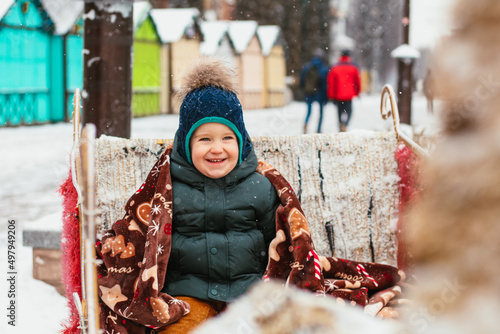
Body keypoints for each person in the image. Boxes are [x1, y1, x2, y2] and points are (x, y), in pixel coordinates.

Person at [158, 58, 280, 333]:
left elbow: (279, 243)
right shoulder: (167, 188)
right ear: (187, 144)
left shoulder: (259, 188)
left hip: (248, 293)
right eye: (204, 139)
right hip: (188, 292)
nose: (217, 148)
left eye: (227, 138)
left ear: (241, 141)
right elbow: (151, 241)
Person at [327, 50, 361, 132]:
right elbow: (357, 81)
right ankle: (345, 124)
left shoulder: (334, 68)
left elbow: (331, 83)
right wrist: (357, 92)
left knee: (339, 111)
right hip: (349, 94)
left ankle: (340, 124)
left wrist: (331, 95)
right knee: (349, 111)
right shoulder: (353, 68)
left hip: (338, 94)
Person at [299, 49, 329, 133]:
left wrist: (304, 90)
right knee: (321, 112)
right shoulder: (324, 68)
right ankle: (319, 128)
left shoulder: (307, 67)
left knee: (309, 111)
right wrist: (326, 96)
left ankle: (306, 124)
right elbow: (325, 84)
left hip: (309, 92)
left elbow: (302, 80)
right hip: (320, 93)